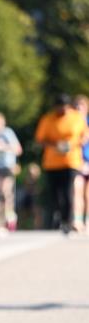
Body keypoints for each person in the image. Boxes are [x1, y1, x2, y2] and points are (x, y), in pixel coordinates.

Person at [34, 94, 88, 232]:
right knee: (55, 193)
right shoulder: (48, 119)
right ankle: (58, 216)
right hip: (52, 163)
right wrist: (55, 145)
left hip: (71, 161)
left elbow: (84, 135)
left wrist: (73, 144)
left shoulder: (76, 118)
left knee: (68, 191)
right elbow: (40, 139)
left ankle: (67, 221)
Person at [72, 94, 89, 232]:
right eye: (76, 105)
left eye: (81, 105)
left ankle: (87, 220)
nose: (78, 108)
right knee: (77, 191)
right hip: (76, 162)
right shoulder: (71, 124)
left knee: (87, 194)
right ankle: (77, 221)